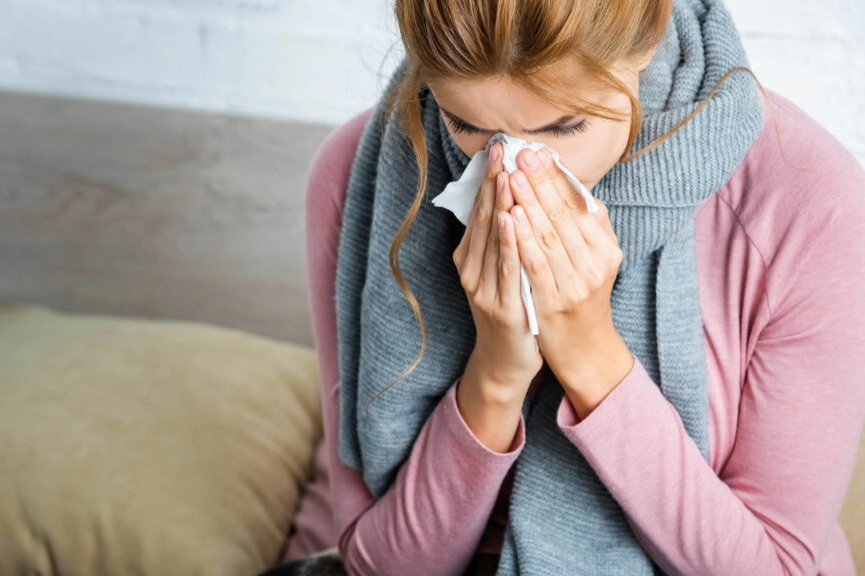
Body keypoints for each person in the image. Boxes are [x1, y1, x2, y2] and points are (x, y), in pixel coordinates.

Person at [268, 0, 865, 574]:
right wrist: (496, 374)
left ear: (644, 46)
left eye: (564, 125)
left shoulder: (807, 203)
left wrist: (588, 353)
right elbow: (383, 565)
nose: (510, 164)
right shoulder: (361, 175)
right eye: (467, 125)